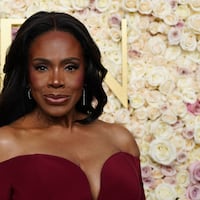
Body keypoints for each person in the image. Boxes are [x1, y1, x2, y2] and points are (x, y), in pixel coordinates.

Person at [0, 11, 145, 200]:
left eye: (70, 67)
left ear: (85, 71)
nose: (56, 81)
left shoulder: (120, 140)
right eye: (42, 67)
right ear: (27, 75)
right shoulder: (6, 144)